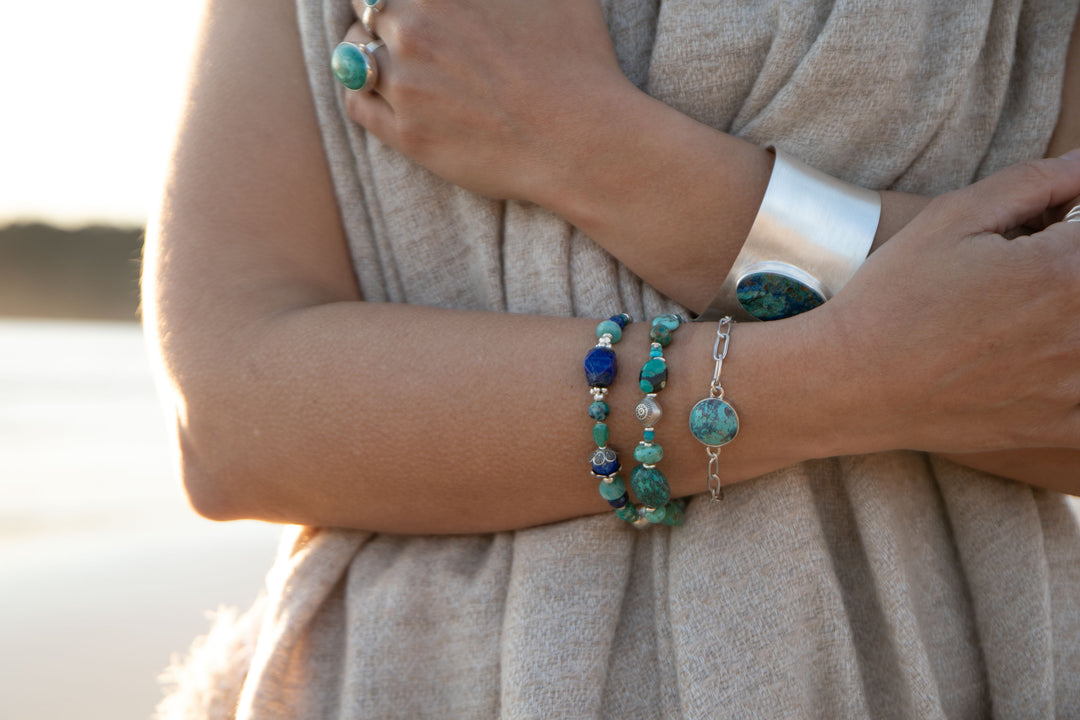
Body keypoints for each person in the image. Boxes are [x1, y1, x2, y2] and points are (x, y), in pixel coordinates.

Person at [146, 0, 1080, 716]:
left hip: (939, 668)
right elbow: (231, 420)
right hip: (430, 678)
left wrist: (587, 147)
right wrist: (841, 378)